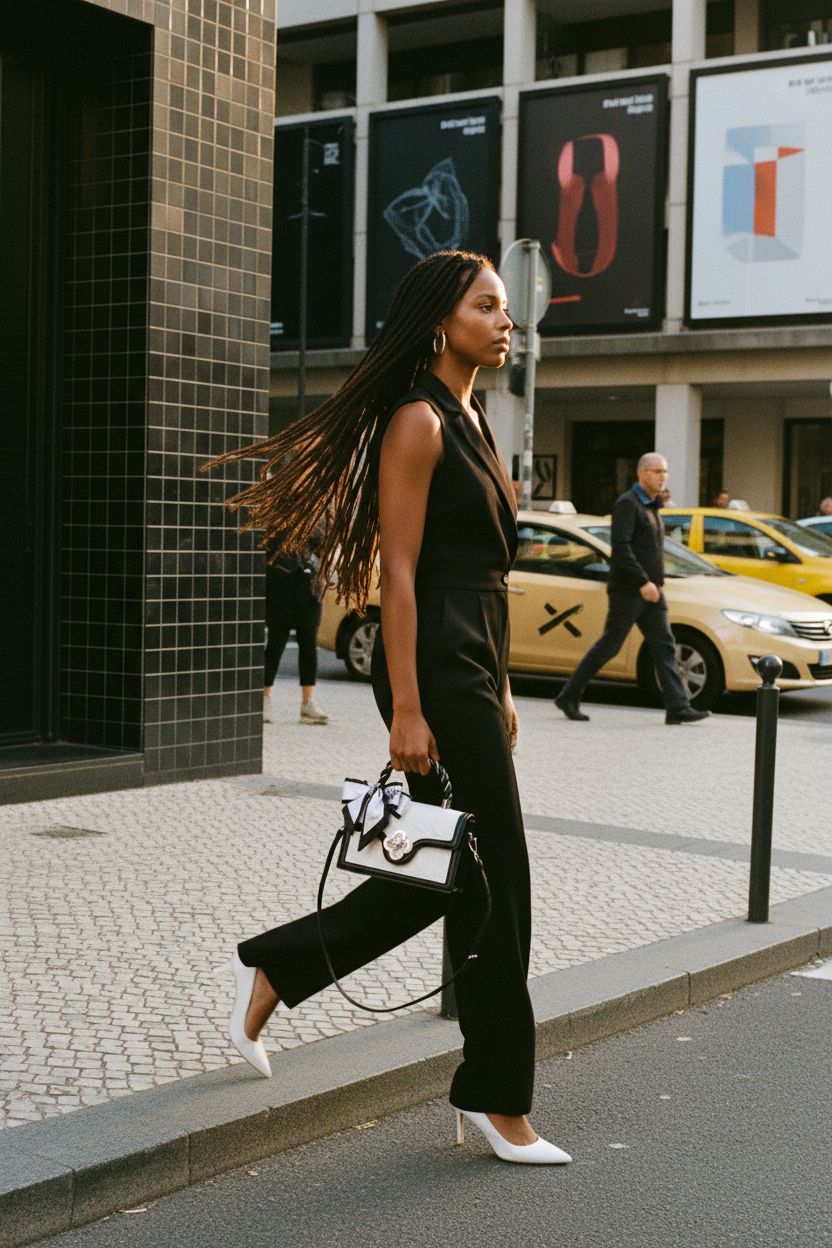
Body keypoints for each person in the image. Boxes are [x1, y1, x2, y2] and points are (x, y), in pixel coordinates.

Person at [203, 250, 571, 1165]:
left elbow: (485, 575)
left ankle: (278, 970)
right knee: (501, 881)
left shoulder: (473, 415)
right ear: (441, 322)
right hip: (435, 664)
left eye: (505, 308)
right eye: (487, 305)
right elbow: (398, 571)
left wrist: (506, 682)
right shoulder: (418, 420)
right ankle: (496, 1099)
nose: (503, 319)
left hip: (472, 658)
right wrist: (409, 706)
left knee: (456, 874)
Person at [554, 453, 711, 725]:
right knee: (610, 646)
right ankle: (569, 696)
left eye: (665, 472)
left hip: (652, 592)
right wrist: (643, 582)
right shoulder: (628, 504)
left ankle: (678, 707)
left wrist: (654, 584)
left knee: (665, 647)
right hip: (630, 591)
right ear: (641, 474)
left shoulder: (652, 506)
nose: (663, 477)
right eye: (657, 471)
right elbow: (622, 549)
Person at [263, 527, 328, 726]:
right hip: (281, 587)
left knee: (309, 646)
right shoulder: (279, 514)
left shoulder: (318, 516)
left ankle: (307, 703)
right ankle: (264, 698)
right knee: (275, 644)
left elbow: (324, 546)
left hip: (309, 589)